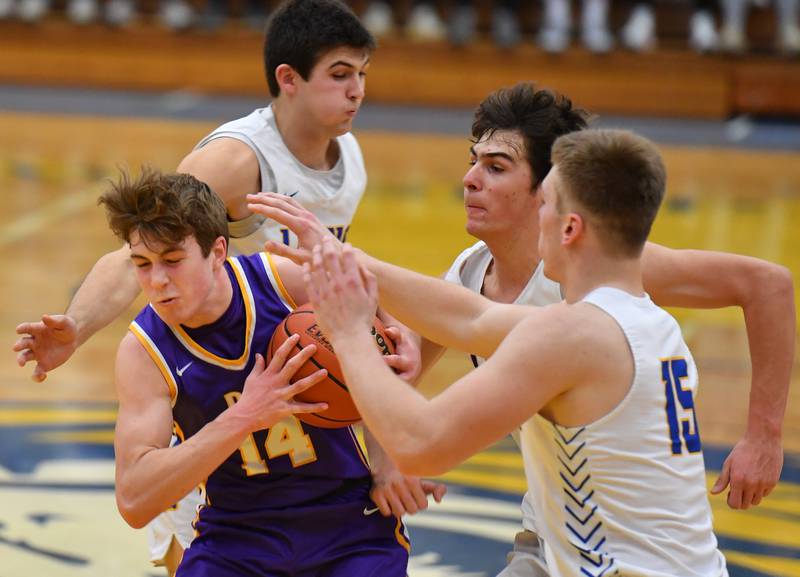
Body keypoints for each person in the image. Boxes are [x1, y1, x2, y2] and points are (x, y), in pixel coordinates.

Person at [247, 82, 793, 576]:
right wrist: (341, 255)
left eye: (546, 203)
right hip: (613, 548)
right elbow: (471, 317)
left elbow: (420, 442)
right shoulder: (632, 315)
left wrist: (347, 333)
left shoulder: (570, 333)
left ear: (567, 226)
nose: (469, 180)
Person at [13, 1, 434, 573]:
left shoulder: (349, 157)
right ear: (289, 78)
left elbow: (356, 292)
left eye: (362, 73)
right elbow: (146, 245)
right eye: (340, 74)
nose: (357, 90)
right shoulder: (236, 159)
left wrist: (391, 356)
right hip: (211, 399)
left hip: (290, 385)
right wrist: (78, 327)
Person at [102, 167, 414, 577]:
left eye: (173, 261)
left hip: (348, 524)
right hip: (236, 537)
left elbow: (388, 332)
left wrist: (388, 459)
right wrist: (244, 415)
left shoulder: (283, 284)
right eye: (142, 264)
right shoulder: (145, 352)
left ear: (218, 252)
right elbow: (133, 500)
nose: (157, 281)